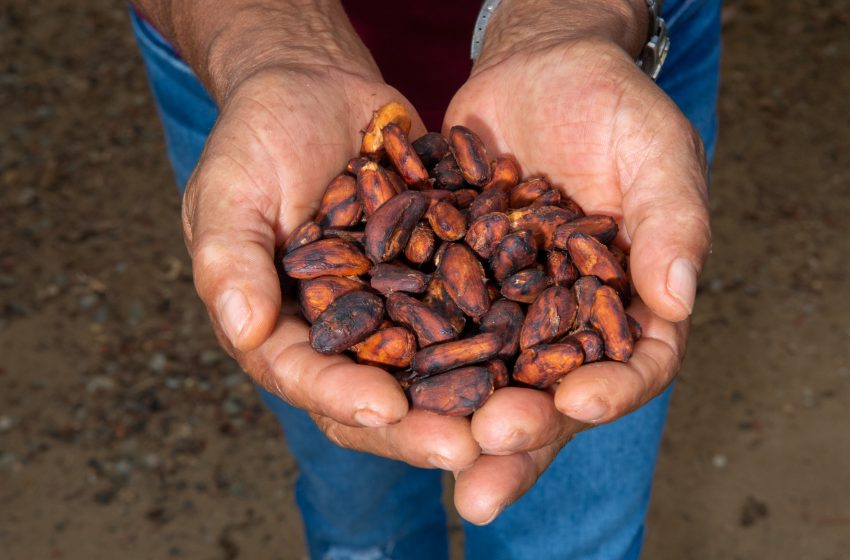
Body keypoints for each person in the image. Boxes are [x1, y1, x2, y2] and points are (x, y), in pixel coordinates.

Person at [129, 1, 721, 558]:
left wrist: (562, 17)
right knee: (356, 483)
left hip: (610, 39)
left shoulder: (497, 258)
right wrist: (276, 38)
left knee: (575, 516)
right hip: (246, 45)